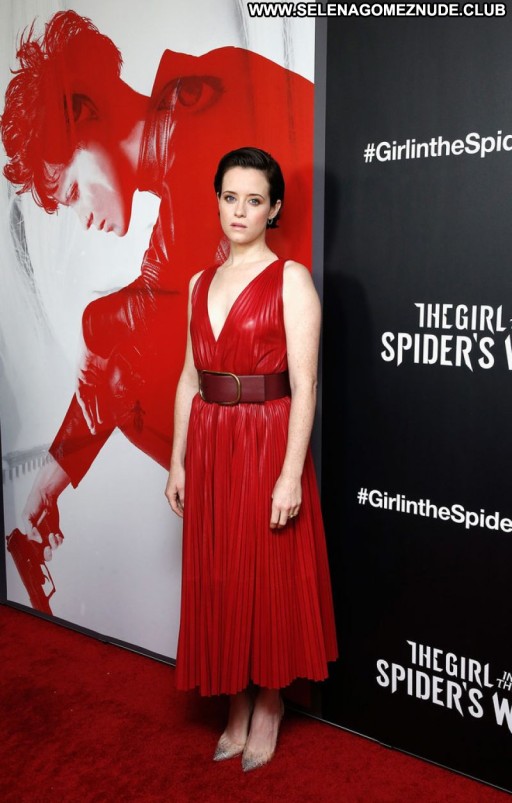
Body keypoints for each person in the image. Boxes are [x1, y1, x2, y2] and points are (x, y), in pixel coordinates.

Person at [0, 11, 313, 575]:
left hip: (278, 426)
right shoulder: (181, 121)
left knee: (114, 338)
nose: (80, 215)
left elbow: (138, 334)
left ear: (85, 114)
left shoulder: (197, 128)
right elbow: (136, 328)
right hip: (253, 429)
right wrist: (49, 485)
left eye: (70, 189)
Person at [165, 147, 337, 771]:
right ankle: (234, 701)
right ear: (218, 202)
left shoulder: (291, 280)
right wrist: (178, 461)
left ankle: (269, 702)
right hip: (211, 442)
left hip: (267, 439)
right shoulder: (198, 284)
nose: (239, 211)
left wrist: (291, 474)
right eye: (230, 197)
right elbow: (189, 379)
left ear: (274, 209)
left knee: (268, 571)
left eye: (254, 200)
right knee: (222, 572)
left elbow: (306, 385)